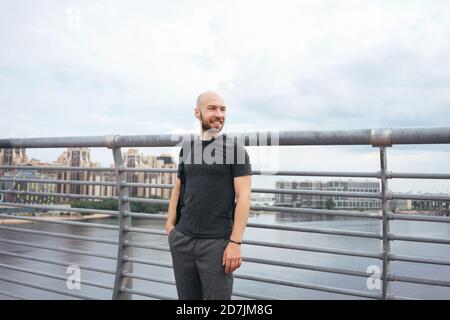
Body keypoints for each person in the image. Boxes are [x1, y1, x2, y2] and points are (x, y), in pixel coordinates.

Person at [165, 91, 252, 300]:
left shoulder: (235, 150)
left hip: (217, 245)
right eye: (212, 108)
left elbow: (244, 197)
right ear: (198, 113)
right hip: (182, 240)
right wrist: (170, 227)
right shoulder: (186, 149)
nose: (219, 114)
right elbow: (178, 188)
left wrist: (235, 243)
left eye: (223, 109)